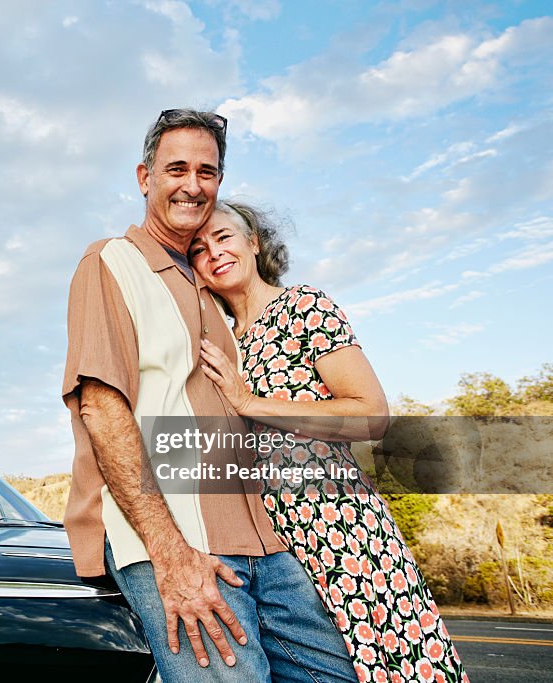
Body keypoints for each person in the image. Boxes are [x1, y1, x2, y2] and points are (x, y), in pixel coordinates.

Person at [62, 109, 359, 682]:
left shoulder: (210, 285)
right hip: (175, 536)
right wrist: (169, 552)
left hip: (265, 538)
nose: (193, 184)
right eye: (177, 169)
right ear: (145, 176)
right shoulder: (110, 262)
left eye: (209, 171)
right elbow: (102, 407)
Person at [192, 201, 468, 683]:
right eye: (198, 248)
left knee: (386, 663)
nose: (214, 253)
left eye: (224, 237)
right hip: (270, 540)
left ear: (254, 242)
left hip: (340, 528)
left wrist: (250, 401)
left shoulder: (303, 305)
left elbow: (371, 413)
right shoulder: (224, 339)